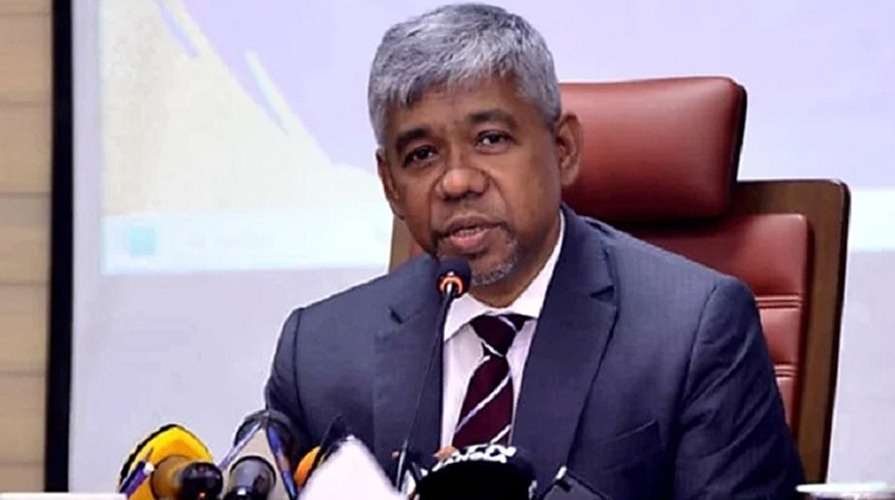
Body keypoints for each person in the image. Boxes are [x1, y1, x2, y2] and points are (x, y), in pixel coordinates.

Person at [265, 3, 805, 498]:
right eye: (423, 154)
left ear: (563, 149)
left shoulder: (693, 331)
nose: (456, 181)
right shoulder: (319, 353)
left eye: (491, 139)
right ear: (390, 185)